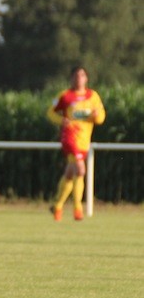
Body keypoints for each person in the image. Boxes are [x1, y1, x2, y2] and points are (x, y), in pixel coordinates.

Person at [47, 65, 105, 221]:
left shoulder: (93, 96)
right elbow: (50, 112)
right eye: (76, 76)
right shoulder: (65, 96)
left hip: (84, 140)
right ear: (71, 78)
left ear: (86, 78)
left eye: (82, 75)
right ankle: (77, 208)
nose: (79, 78)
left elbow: (101, 118)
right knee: (80, 169)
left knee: (70, 172)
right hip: (70, 137)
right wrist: (61, 120)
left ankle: (58, 206)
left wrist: (96, 116)